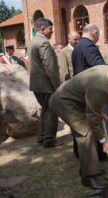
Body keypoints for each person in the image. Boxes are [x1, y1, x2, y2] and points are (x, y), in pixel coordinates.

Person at [50, 63, 108, 189]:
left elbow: (91, 99)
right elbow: (92, 118)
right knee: (85, 133)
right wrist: (104, 142)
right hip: (64, 102)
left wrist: (97, 112)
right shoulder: (101, 87)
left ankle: (88, 169)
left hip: (75, 99)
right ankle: (89, 177)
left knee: (86, 132)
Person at [72, 24, 108, 159]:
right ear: (94, 32)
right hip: (94, 89)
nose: (98, 38)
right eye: (98, 34)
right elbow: (99, 68)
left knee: (88, 121)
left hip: (83, 88)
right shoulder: (88, 46)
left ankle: (86, 151)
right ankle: (104, 150)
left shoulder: (77, 46)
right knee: (99, 119)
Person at [28, 18, 62, 148]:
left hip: (37, 85)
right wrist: (57, 86)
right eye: (50, 29)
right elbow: (50, 67)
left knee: (45, 111)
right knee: (52, 111)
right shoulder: (43, 43)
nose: (52, 31)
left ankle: (42, 137)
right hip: (46, 85)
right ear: (43, 29)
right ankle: (49, 140)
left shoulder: (33, 41)